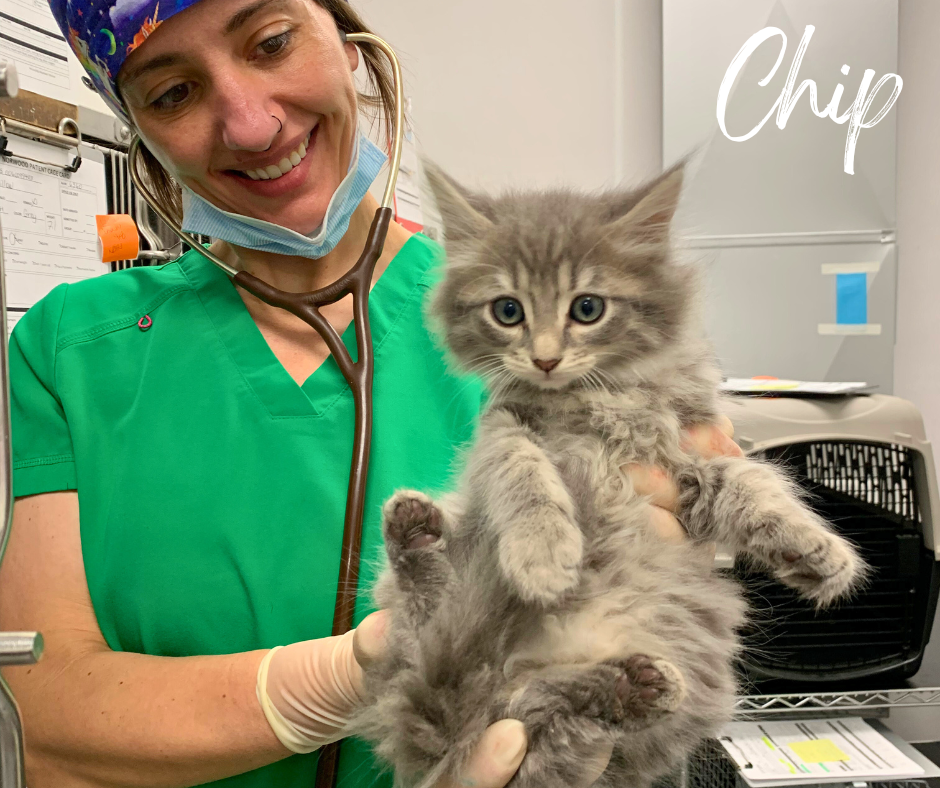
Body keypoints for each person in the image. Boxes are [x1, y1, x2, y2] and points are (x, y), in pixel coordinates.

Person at [0, 1, 743, 787]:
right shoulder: (70, 351)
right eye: (173, 93)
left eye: (272, 42)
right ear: (138, 130)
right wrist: (336, 680)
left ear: (347, 40)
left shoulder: (525, 321)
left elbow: (655, 614)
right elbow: (41, 719)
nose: (252, 125)